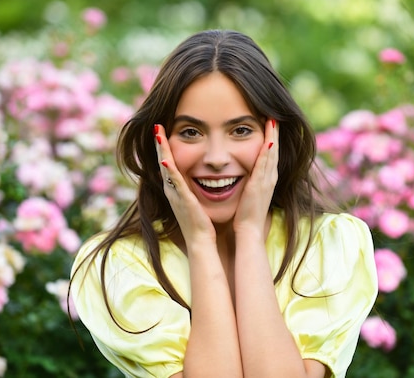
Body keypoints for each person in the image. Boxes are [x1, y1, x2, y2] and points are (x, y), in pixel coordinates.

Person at [69, 29, 378, 378]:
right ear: (160, 143)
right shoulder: (121, 265)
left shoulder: (329, 244)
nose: (216, 158)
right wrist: (202, 244)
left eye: (241, 130)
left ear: (273, 135)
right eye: (190, 132)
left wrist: (248, 234)